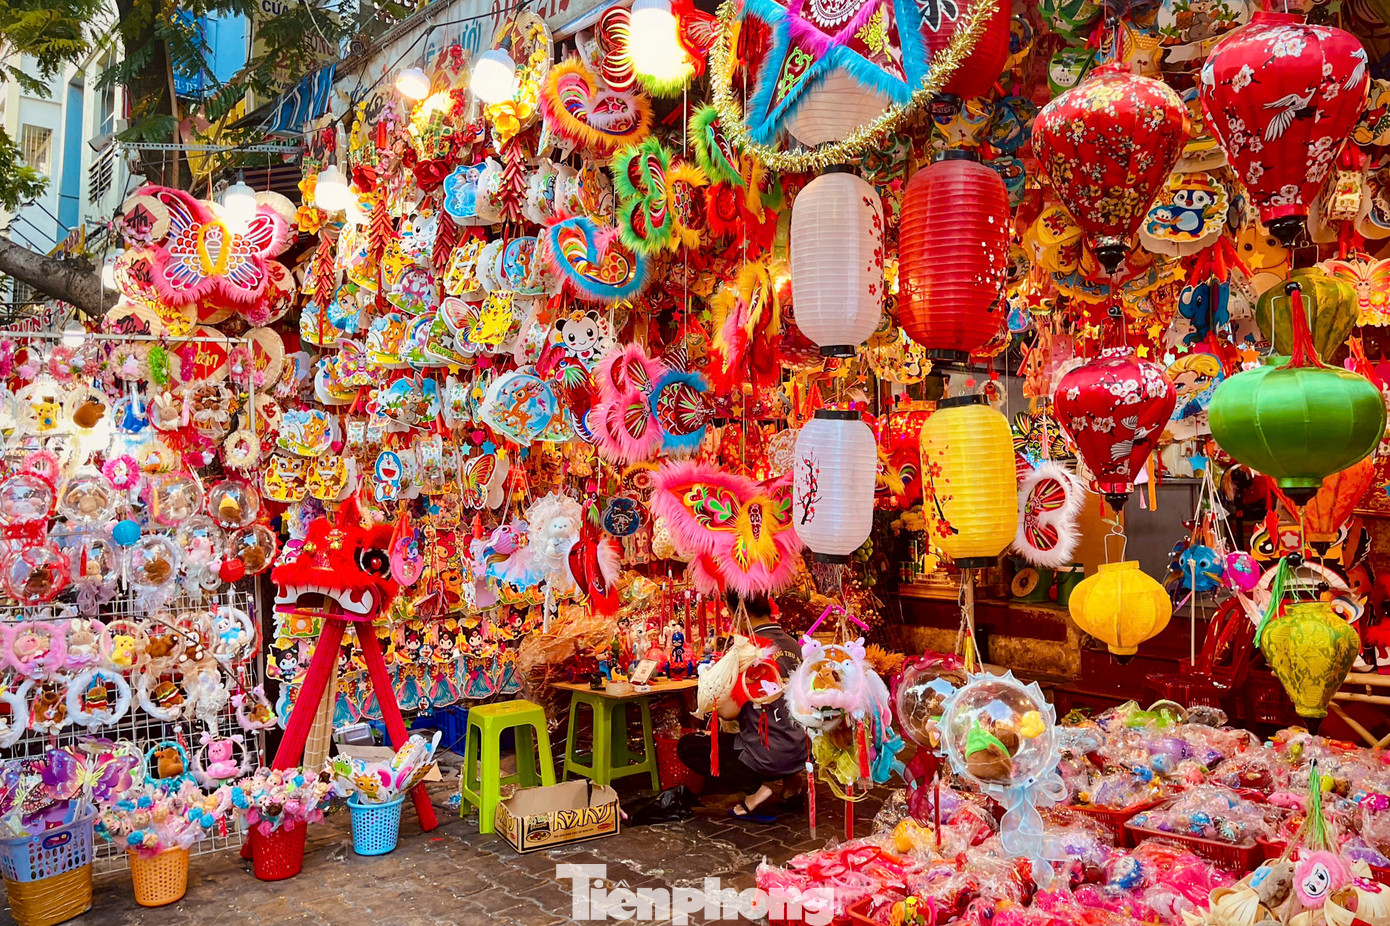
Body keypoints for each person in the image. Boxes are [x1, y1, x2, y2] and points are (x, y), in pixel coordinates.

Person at [676, 592, 808, 822]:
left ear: (740, 612)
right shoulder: (795, 645)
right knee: (782, 718)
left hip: (767, 753)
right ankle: (791, 783)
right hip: (801, 750)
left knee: (689, 746)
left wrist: (712, 688)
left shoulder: (749, 650)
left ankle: (756, 790)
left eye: (729, 610)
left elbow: (728, 713)